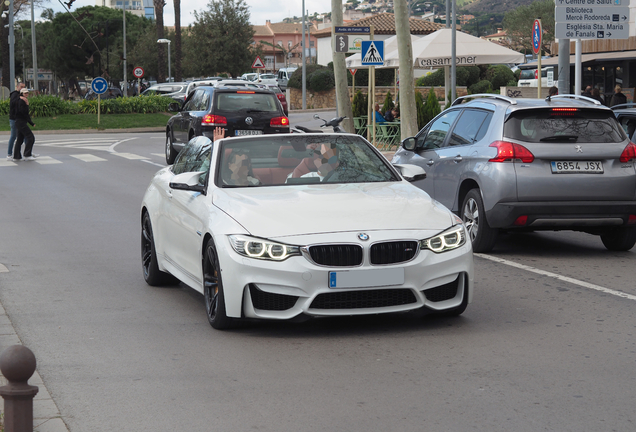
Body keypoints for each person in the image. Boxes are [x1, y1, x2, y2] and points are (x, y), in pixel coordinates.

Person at [12, 88, 36, 161]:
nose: (26, 94)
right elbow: (24, 113)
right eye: (25, 93)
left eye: (27, 93)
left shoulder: (20, 100)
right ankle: (27, 154)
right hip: (21, 122)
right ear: (21, 93)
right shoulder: (22, 101)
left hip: (19, 122)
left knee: (20, 139)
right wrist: (31, 123)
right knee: (31, 137)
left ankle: (16, 156)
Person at [7, 82, 25, 160]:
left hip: (20, 119)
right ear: (17, 87)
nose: (22, 88)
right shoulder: (15, 94)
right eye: (21, 87)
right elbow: (13, 104)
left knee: (24, 136)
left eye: (24, 87)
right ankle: (9, 154)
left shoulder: (22, 95)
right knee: (14, 136)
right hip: (14, 119)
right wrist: (20, 98)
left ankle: (28, 152)